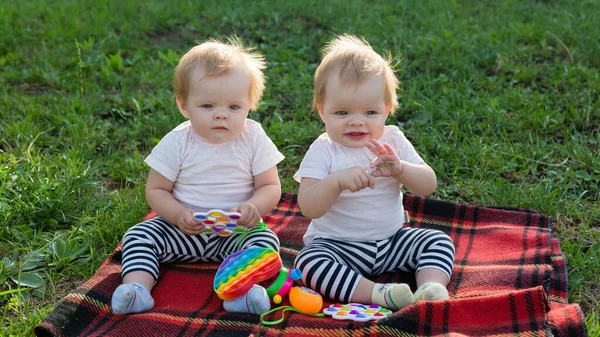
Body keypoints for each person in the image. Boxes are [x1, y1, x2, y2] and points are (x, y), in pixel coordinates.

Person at [111, 37, 284, 315]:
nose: (221, 116)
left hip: (234, 232)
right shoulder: (177, 141)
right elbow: (156, 190)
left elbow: (270, 185)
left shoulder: (253, 138)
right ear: (184, 105)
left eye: (233, 107)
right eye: (208, 106)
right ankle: (137, 289)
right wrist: (178, 215)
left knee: (265, 243)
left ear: (249, 105)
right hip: (181, 230)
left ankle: (242, 292)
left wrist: (255, 207)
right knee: (139, 235)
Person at [293, 34, 455, 310]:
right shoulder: (324, 149)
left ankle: (430, 287)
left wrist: (401, 169)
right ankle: (377, 293)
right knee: (309, 264)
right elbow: (308, 206)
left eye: (370, 112)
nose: (357, 121)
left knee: (437, 240)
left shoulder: (392, 141)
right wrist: (335, 182)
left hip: (392, 241)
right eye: (342, 113)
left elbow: (428, 185)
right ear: (322, 111)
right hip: (338, 247)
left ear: (386, 110)